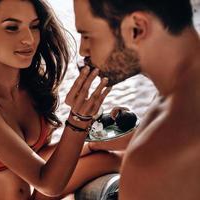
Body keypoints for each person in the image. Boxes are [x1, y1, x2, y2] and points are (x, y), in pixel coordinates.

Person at [0, 0, 122, 199]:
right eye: (12, 28)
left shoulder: (30, 86)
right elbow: (48, 182)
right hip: (45, 186)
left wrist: (92, 142)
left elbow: (37, 158)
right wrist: (78, 120)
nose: (29, 39)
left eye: (34, 26)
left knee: (116, 158)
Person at [73, 0, 200, 199]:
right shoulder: (182, 89)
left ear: (136, 29)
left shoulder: (146, 160)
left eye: (87, 35)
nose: (83, 50)